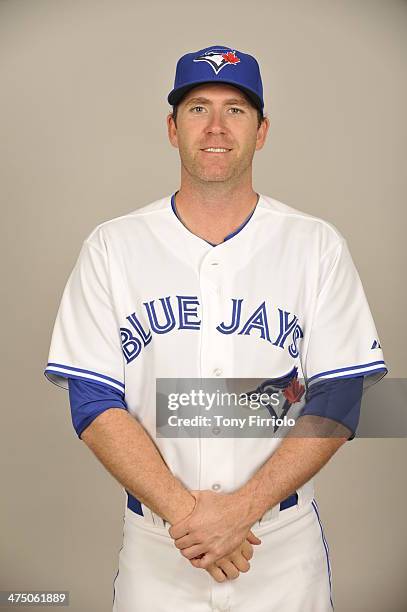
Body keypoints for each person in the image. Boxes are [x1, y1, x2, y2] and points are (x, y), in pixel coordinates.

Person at [44, 45, 388, 611]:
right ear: (172, 126)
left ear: (262, 130)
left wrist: (241, 509)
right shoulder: (113, 246)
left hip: (278, 546)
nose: (216, 126)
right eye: (199, 106)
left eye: (236, 110)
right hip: (161, 546)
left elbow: (341, 395)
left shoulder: (315, 245)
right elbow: (91, 399)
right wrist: (190, 516)